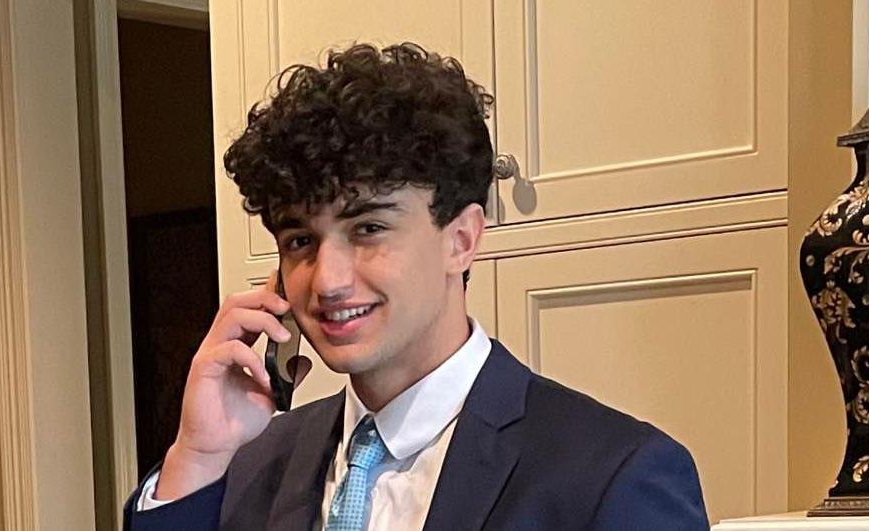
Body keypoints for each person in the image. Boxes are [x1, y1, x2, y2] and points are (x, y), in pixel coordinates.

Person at [123, 42, 709, 530]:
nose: (327, 280)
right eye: (301, 240)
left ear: (462, 239)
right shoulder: (253, 464)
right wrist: (197, 458)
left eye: (369, 228)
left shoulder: (612, 476)